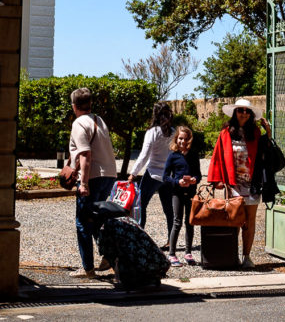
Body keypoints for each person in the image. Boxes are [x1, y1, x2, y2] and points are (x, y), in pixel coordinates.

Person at [207, 97, 272, 268]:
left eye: (246, 111)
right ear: (235, 113)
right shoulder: (226, 132)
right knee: (234, 219)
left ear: (250, 115)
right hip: (233, 184)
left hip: (252, 184)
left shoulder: (256, 133)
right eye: (240, 110)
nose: (243, 113)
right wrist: (217, 180)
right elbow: (218, 157)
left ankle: (247, 256)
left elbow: (266, 153)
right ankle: (232, 255)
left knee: (250, 220)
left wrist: (268, 133)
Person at [67, 87, 117, 278]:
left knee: (83, 222)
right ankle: (108, 255)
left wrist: (84, 183)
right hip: (109, 175)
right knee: (97, 219)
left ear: (74, 106)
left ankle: (88, 268)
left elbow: (86, 154)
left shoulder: (79, 123)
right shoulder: (99, 120)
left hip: (93, 177)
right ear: (90, 104)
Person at [127, 102, 176, 233]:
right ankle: (171, 241)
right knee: (169, 209)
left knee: (141, 206)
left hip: (153, 174)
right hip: (168, 176)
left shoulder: (153, 132)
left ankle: (140, 236)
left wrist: (133, 173)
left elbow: (144, 155)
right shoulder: (173, 132)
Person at [162, 125, 201, 266]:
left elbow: (198, 174)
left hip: (190, 192)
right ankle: (172, 254)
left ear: (189, 139)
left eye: (185, 139)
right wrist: (177, 182)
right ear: (176, 139)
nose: (183, 142)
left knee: (190, 222)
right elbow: (165, 177)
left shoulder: (193, 154)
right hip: (177, 193)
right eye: (180, 138)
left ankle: (188, 252)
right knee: (177, 221)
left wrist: (194, 180)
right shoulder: (173, 156)